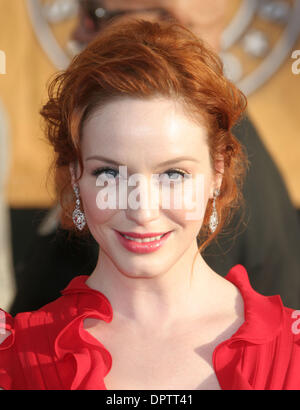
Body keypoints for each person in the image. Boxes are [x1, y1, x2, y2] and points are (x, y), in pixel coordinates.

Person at [1, 19, 300, 390]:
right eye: (109, 173)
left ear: (217, 172)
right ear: (76, 174)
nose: (142, 210)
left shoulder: (291, 354)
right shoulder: (15, 361)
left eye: (172, 174)